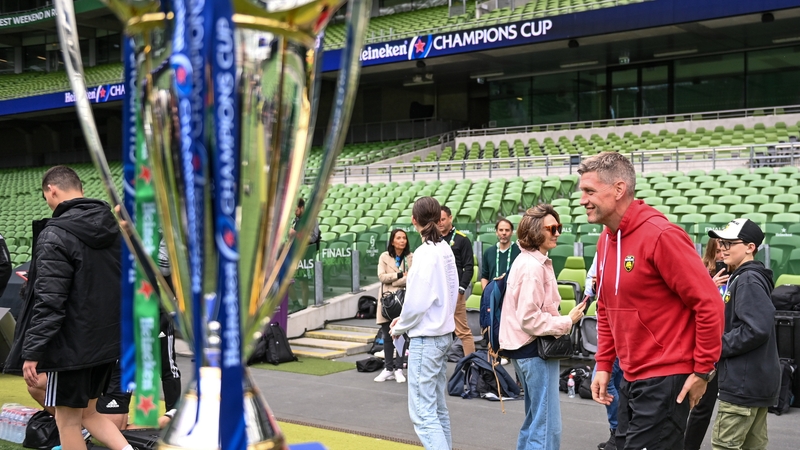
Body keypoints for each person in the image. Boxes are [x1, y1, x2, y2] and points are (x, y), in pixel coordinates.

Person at [579, 152, 725, 450]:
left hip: (666, 378)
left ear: (619, 190)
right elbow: (605, 308)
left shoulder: (661, 235)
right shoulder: (606, 239)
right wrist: (604, 364)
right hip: (630, 375)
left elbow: (709, 304)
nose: (582, 200)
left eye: (590, 191)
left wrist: (702, 371)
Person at [18, 166, 131, 450]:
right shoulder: (113, 228)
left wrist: (32, 352)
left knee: (67, 422)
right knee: (90, 413)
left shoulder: (54, 233)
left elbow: (50, 301)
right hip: (105, 343)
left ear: (52, 191)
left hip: (72, 348)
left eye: (46, 196)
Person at [499, 204, 585, 450]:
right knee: (546, 426)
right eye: (552, 228)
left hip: (526, 350)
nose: (558, 232)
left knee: (536, 420)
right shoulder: (532, 267)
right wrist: (567, 321)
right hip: (534, 350)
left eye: (559, 227)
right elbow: (529, 319)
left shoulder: (527, 261)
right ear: (537, 231)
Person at [390, 197, 458, 450]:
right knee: (437, 409)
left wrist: (399, 326)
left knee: (423, 413)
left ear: (414, 220)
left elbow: (417, 301)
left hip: (428, 337)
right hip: (441, 333)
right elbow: (444, 295)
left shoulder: (425, 253)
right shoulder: (445, 249)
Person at [708, 219, 780, 450]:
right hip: (751, 382)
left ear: (750, 247)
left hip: (743, 384)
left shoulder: (748, 279)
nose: (723, 248)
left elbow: (756, 329)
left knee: (724, 446)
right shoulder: (744, 276)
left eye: (730, 243)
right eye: (722, 242)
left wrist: (716, 346)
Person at [684, 238, 728, 450]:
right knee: (694, 404)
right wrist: (710, 287)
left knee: (706, 406)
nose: (722, 255)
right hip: (699, 345)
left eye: (725, 250)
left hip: (724, 344)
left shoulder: (736, 274)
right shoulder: (700, 270)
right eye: (718, 251)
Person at [375, 228, 413, 383]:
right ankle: (388, 368)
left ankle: (399, 369)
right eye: (399, 238)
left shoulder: (411, 257)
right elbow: (381, 277)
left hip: (403, 300)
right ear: (392, 241)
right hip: (387, 300)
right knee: (387, 335)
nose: (402, 240)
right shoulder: (384, 256)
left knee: (402, 335)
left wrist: (395, 280)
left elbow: (412, 277)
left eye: (404, 238)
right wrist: (399, 276)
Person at [439, 206, 475, 357]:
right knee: (438, 331)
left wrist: (461, 289)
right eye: (437, 220)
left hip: (455, 294)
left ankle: (472, 366)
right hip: (439, 294)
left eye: (442, 219)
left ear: (450, 218)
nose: (439, 223)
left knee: (463, 332)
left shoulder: (462, 239)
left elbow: (469, 267)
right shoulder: (434, 240)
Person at [289, 198, 320, 308]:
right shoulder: (295, 220)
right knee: (287, 281)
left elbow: (313, 237)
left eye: (296, 210)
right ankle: (296, 304)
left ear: (302, 208)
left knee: (303, 282)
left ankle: (305, 306)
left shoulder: (311, 220)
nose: (295, 212)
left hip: (306, 254)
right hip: (295, 254)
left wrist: (295, 234)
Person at [480, 218, 520, 289]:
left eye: (507, 230)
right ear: (496, 232)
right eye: (501, 230)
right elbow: (484, 277)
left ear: (512, 232)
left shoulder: (519, 252)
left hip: (512, 294)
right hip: (494, 294)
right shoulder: (488, 252)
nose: (504, 233)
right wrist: (487, 293)